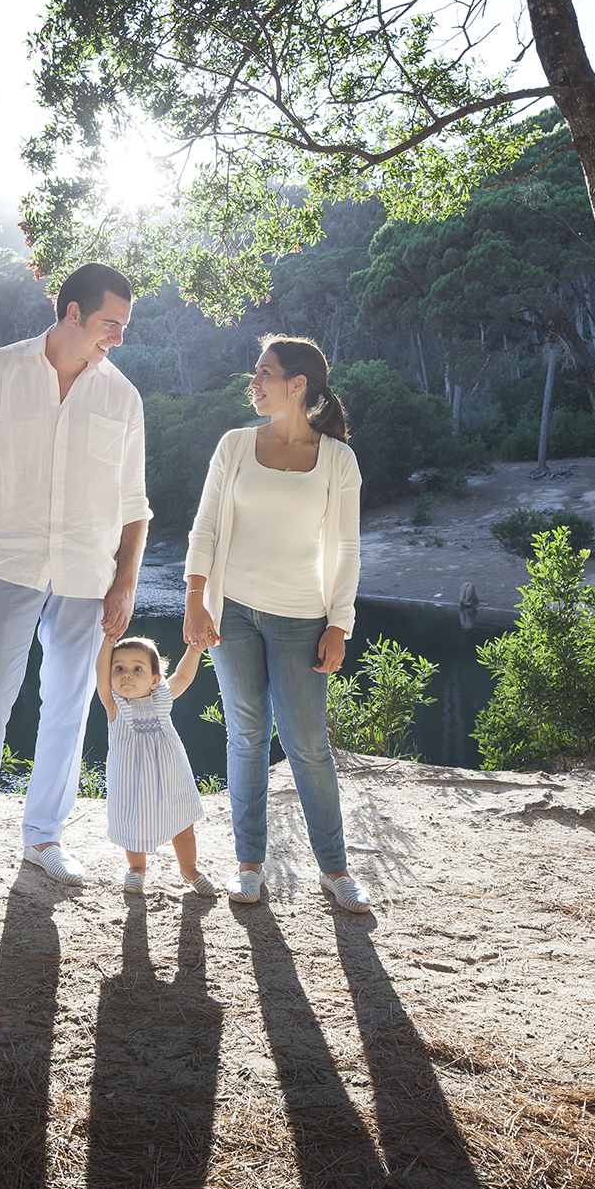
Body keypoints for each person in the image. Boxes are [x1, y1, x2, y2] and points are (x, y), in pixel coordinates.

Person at [0, 264, 151, 908]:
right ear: (72, 312)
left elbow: (135, 502)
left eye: (123, 327)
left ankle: (44, 838)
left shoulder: (122, 397)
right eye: (110, 324)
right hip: (3, 563)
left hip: (86, 575)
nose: (118, 338)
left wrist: (124, 583)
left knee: (68, 707)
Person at [183, 335, 370, 911]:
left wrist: (339, 622)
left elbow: (345, 546)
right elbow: (207, 524)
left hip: (302, 617)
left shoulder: (337, 458)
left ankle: (335, 871)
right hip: (231, 609)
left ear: (298, 385)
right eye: (255, 372)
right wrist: (195, 597)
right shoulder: (235, 445)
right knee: (246, 737)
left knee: (308, 743)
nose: (254, 383)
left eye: (265, 373)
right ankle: (249, 864)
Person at [96, 632, 217, 896]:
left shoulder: (162, 698)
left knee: (183, 827)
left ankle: (190, 869)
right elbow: (100, 668)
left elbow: (183, 676)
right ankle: (137, 869)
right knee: (133, 825)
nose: (126, 674)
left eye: (137, 668)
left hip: (171, 777)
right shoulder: (114, 705)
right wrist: (109, 639)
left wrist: (194, 649)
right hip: (132, 783)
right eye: (119, 668)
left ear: (154, 680)